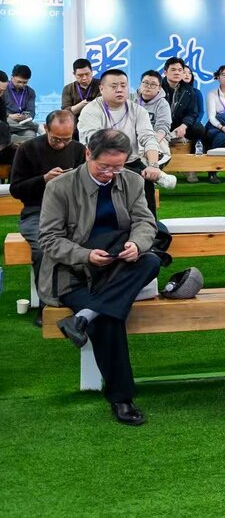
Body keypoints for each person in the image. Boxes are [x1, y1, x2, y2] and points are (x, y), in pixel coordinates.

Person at [37, 130, 162, 426]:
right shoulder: (60, 186)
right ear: (87, 155)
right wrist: (85, 255)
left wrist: (136, 245)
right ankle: (122, 398)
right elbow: (49, 239)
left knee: (151, 260)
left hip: (117, 266)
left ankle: (83, 317)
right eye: (104, 166)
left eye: (118, 167)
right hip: (72, 273)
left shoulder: (132, 180)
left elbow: (146, 222)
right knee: (109, 318)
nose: (110, 173)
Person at [9, 110, 85, 326]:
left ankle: (81, 297)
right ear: (45, 129)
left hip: (71, 211)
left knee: (89, 239)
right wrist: (44, 179)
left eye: (66, 139)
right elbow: (16, 189)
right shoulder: (27, 149)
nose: (61, 144)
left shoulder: (79, 149)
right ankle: (47, 304)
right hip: (36, 211)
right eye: (56, 139)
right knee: (44, 249)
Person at [78, 69, 167, 215]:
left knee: (146, 180)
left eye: (123, 86)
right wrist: (114, 166)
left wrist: (153, 166)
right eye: (114, 86)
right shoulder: (90, 110)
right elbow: (94, 141)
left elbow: (148, 138)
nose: (119, 89)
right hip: (100, 163)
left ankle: (150, 225)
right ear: (101, 88)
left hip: (131, 162)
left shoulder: (138, 110)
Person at [161, 57, 206, 183]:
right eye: (173, 69)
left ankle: (191, 167)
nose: (177, 72)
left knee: (199, 129)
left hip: (179, 123)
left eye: (180, 70)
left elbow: (192, 113)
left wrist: (184, 125)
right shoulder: (158, 87)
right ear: (165, 72)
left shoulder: (189, 90)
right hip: (160, 123)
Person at [133, 69, 173, 155]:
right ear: (140, 84)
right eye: (145, 83)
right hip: (134, 136)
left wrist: (151, 144)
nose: (148, 86)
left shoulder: (163, 104)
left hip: (155, 136)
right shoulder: (131, 99)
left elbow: (163, 127)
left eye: (153, 84)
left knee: (159, 149)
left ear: (159, 88)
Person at [5, 63, 38, 143]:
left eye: (25, 82)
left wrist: (26, 117)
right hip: (7, 120)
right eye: (19, 82)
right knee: (5, 122)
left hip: (22, 123)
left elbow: (31, 111)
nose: (21, 85)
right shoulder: (3, 88)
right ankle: (36, 127)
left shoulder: (30, 92)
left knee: (31, 135)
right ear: (11, 77)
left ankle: (12, 138)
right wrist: (9, 115)